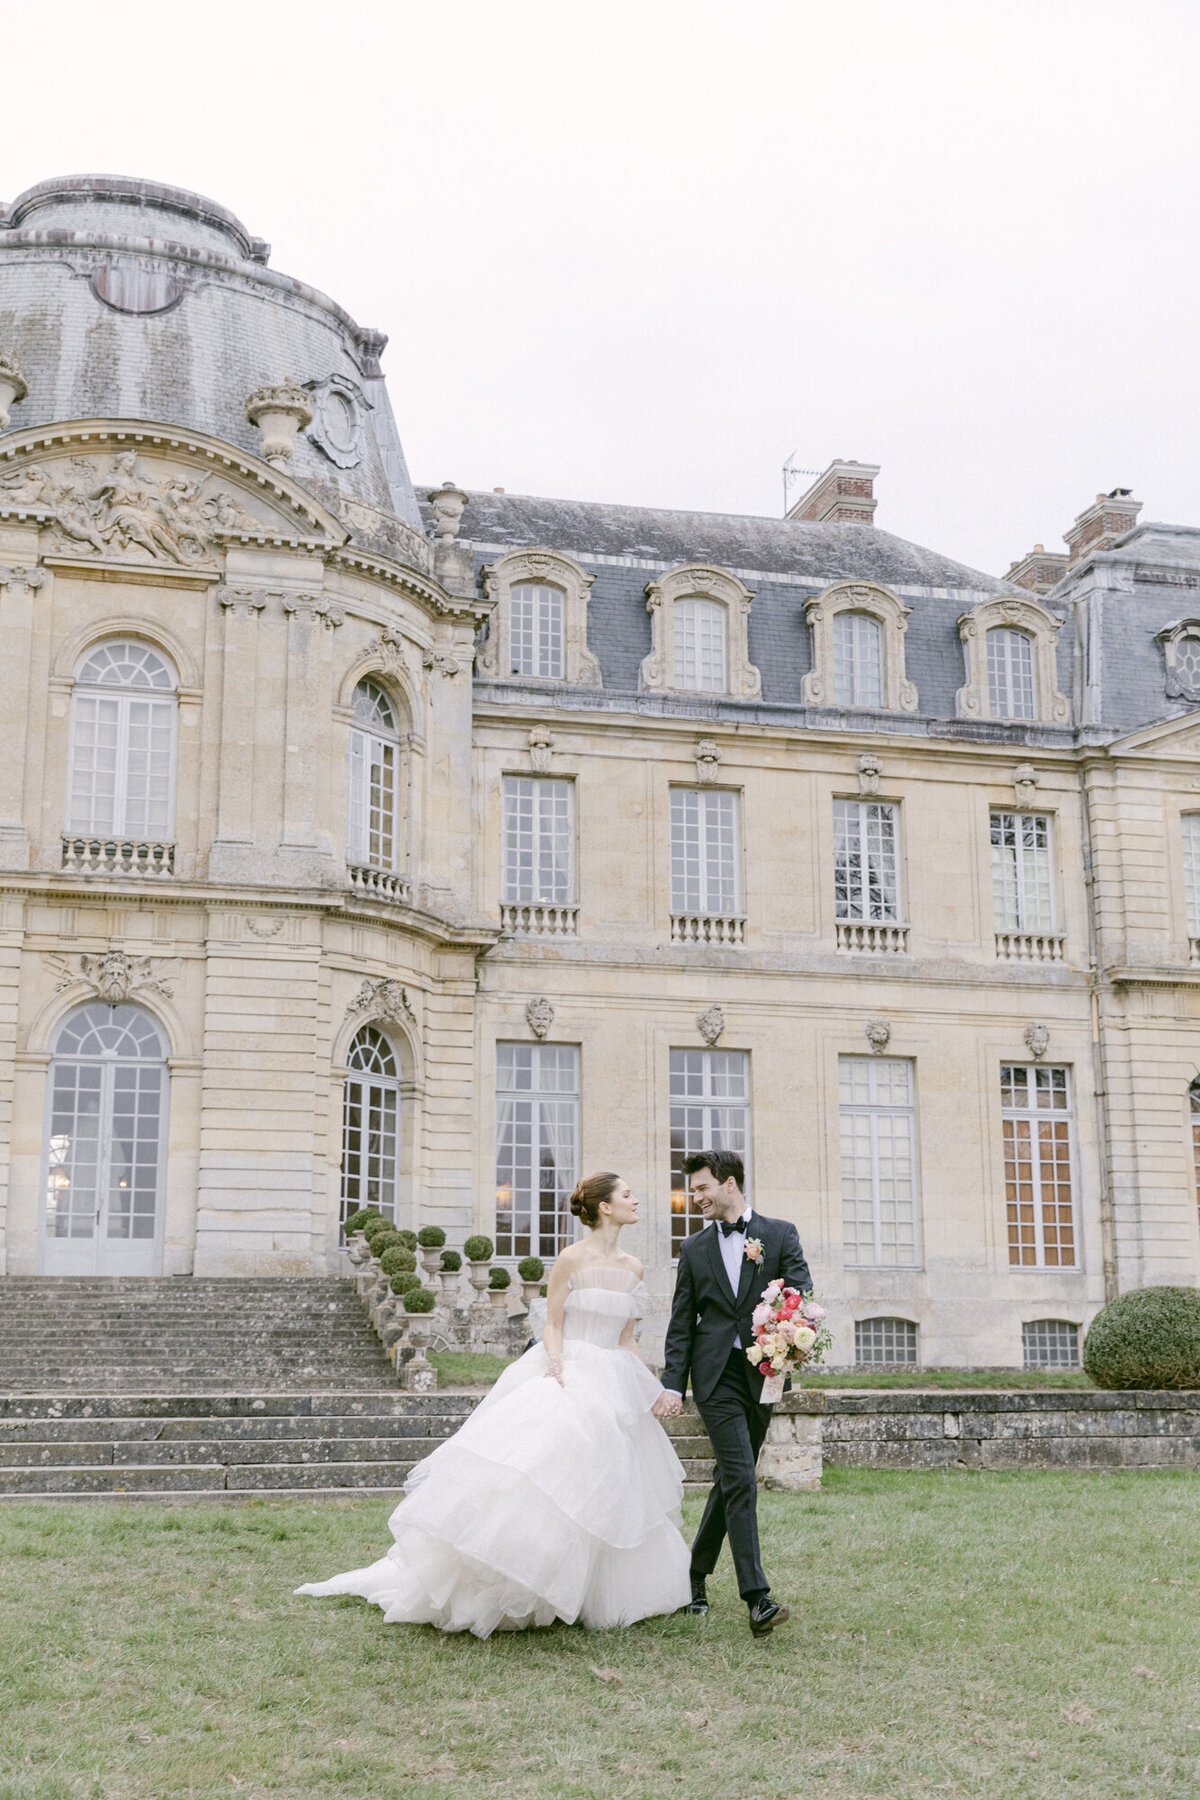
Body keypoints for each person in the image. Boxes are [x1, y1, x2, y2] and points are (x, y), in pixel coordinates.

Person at [296, 1173, 691, 1637]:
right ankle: (517, 1580)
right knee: (543, 1473)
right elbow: (554, 1323)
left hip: (614, 1379)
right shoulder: (570, 1259)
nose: (636, 1199)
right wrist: (559, 1365)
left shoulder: (635, 1267)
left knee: (611, 1482)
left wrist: (652, 1388)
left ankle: (592, 1590)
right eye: (627, 1194)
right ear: (604, 1207)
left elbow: (627, 1339)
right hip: (568, 1370)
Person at [653, 1150, 812, 1637]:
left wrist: (785, 1335)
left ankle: (694, 1578)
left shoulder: (780, 1234)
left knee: (729, 1480)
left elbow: (800, 1295)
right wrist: (672, 1384)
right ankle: (757, 1597)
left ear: (728, 1184)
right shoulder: (695, 1248)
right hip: (715, 1376)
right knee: (742, 1475)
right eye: (692, 1190)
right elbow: (682, 1322)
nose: (694, 1197)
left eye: (701, 1188)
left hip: (764, 1375)